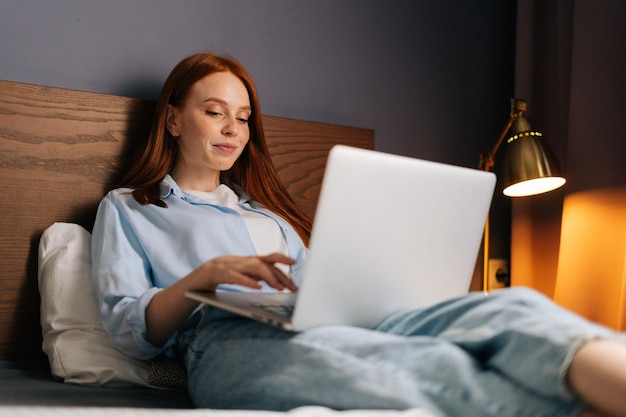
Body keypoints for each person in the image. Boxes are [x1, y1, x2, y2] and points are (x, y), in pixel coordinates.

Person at [91, 52, 626, 417]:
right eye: (214, 113)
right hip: (221, 343)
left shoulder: (270, 216)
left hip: (323, 316)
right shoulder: (132, 209)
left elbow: (321, 290)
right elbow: (128, 331)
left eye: (244, 117)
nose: (233, 129)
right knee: (417, 364)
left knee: (507, 307)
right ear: (174, 120)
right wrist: (203, 278)